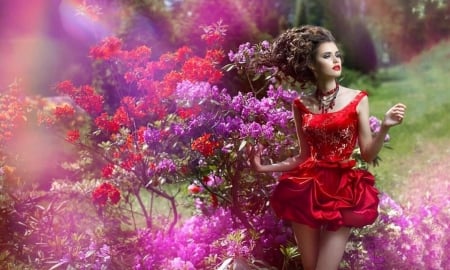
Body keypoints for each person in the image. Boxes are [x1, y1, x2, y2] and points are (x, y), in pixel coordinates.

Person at [248, 25, 406, 270]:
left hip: (343, 191)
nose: (335, 60)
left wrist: (384, 127)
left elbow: (367, 153)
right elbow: (303, 156)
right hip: (306, 190)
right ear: (311, 64)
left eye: (337, 55)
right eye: (326, 56)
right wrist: (264, 167)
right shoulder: (301, 105)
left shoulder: (357, 99)